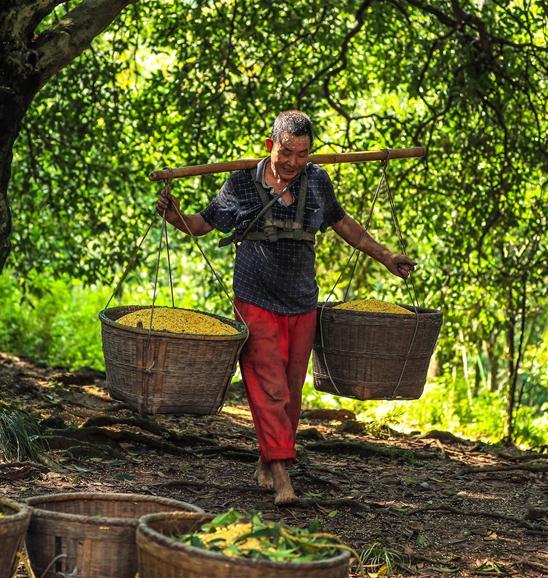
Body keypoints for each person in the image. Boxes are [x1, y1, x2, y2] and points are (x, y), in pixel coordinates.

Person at [156, 110, 415, 505]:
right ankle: (281, 475)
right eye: (286, 152)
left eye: (303, 153)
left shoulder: (316, 181)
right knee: (268, 387)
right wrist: (175, 217)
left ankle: (268, 458)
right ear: (269, 146)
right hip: (255, 298)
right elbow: (204, 224)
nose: (294, 161)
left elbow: (344, 224)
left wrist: (385, 255)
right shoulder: (242, 184)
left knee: (291, 393)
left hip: (301, 301)